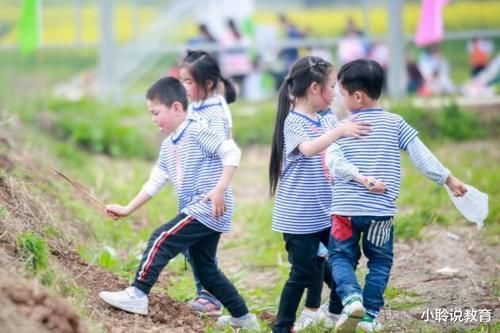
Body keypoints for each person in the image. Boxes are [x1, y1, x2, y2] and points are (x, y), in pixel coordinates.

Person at [98, 77, 259, 330]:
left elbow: (232, 152)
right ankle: (243, 318)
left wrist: (219, 188)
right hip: (200, 210)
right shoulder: (168, 145)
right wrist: (127, 209)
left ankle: (138, 293)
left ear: (176, 107)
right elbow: (155, 181)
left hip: (207, 206)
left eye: (156, 112)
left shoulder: (197, 131)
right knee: (206, 270)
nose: (153, 119)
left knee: (161, 238)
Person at [325, 59, 467, 333]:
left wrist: (359, 178)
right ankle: (369, 317)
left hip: (344, 209)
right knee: (379, 260)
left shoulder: (342, 128)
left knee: (340, 257)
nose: (340, 100)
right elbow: (421, 155)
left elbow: (333, 163)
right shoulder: (395, 123)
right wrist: (447, 178)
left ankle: (352, 298)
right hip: (380, 210)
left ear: (357, 96)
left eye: (342, 94)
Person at [268, 55, 374, 332]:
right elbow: (309, 149)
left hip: (326, 212)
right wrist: (339, 131)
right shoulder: (293, 121)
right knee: (302, 272)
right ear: (315, 88)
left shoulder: (325, 117)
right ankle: (282, 326)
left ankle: (336, 313)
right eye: (332, 87)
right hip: (299, 217)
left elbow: (337, 150)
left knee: (344, 261)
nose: (335, 94)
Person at [178, 49, 237, 315]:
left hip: (211, 191)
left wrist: (219, 188)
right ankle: (206, 293)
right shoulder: (199, 106)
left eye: (189, 82)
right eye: (182, 81)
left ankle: (211, 297)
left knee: (202, 251)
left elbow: (224, 151)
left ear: (209, 83)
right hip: (195, 189)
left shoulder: (215, 113)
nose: (184, 87)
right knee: (195, 250)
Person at [219, 19, 252, 92]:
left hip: (232, 65)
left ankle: (237, 98)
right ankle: (242, 97)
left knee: (233, 84)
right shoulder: (241, 34)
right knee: (241, 84)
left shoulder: (226, 35)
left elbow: (224, 47)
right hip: (242, 64)